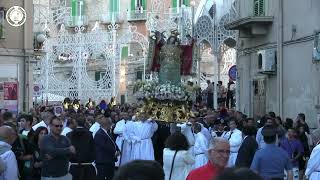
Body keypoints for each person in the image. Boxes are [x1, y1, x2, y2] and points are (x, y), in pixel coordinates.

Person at [67, 116, 96, 180]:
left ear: (76, 123)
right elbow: (93, 150)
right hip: (87, 167)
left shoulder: (69, 135)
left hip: (74, 167)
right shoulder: (90, 134)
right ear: (84, 123)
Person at [94, 113, 120, 180]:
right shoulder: (99, 134)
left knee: (110, 177)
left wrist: (118, 150)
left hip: (109, 161)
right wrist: (115, 152)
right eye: (111, 124)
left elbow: (113, 142)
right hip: (103, 162)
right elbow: (105, 147)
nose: (111, 126)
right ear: (107, 124)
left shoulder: (107, 132)